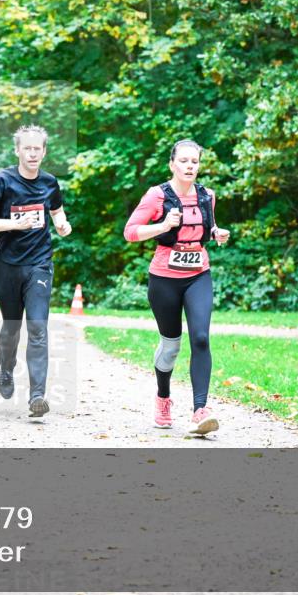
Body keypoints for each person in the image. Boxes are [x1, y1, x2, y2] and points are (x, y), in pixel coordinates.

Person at [123, 139, 231, 435]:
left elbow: (205, 227)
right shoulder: (157, 195)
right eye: (183, 161)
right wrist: (162, 226)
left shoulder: (207, 195)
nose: (189, 166)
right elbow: (130, 232)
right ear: (172, 164)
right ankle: (163, 398)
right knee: (171, 347)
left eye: (194, 162)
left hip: (198, 274)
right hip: (164, 279)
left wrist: (216, 233)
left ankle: (200, 411)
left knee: (201, 338)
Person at [0, 125, 72, 418]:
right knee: (11, 328)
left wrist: (61, 224)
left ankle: (37, 396)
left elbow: (56, 210)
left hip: (39, 264)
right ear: (17, 150)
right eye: (27, 148)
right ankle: (6, 366)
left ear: (44, 152)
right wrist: (14, 225)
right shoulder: (2, 181)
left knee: (37, 327)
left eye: (37, 149)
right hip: (7, 265)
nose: (32, 154)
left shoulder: (49, 182)